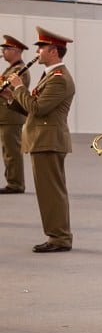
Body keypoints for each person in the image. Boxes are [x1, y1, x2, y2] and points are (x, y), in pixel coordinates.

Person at [0, 28, 75, 252]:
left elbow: (38, 108)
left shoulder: (59, 79)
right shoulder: (51, 75)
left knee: (51, 193)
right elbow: (31, 109)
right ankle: (57, 236)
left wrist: (19, 87)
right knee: (49, 192)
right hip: (44, 139)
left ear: (53, 51)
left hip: (48, 140)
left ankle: (59, 238)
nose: (38, 52)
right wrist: (10, 96)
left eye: (41, 48)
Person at [0, 35, 31, 194]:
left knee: (12, 152)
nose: (3, 52)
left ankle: (16, 184)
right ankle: (12, 181)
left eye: (6, 49)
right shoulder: (11, 69)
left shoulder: (20, 71)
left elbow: (18, 92)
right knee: (8, 151)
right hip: (6, 116)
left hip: (11, 115)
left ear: (16, 51)